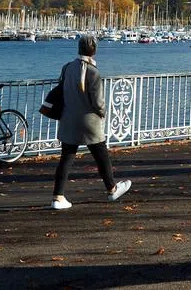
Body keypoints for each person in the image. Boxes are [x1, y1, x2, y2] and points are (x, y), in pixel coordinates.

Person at [51, 35, 132, 210]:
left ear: (78, 48)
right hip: (89, 121)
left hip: (68, 118)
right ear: (94, 50)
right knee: (101, 156)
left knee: (66, 157)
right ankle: (112, 189)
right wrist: (103, 113)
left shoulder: (67, 68)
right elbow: (98, 101)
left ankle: (58, 196)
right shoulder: (93, 72)